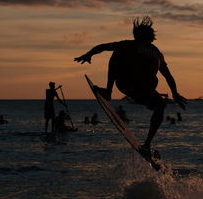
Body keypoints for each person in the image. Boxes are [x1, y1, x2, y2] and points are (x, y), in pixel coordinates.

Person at [74, 16, 187, 157]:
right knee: (160, 105)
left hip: (130, 86)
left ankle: (108, 92)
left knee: (116, 54)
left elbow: (102, 47)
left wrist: (89, 54)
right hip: (142, 90)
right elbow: (168, 76)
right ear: (149, 36)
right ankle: (147, 144)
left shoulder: (132, 46)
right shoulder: (155, 52)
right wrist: (175, 93)